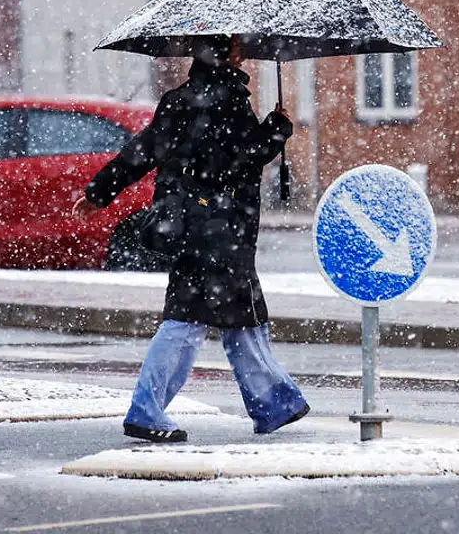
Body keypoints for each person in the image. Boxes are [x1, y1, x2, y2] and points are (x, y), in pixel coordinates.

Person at [71, 35, 309, 443]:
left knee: (231, 318)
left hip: (191, 228)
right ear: (224, 53)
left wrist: (99, 192)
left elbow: (142, 150)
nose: (243, 53)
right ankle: (148, 409)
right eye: (236, 47)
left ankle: (272, 403)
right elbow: (236, 163)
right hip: (221, 230)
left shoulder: (178, 100)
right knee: (194, 321)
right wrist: (275, 131)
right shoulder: (229, 101)